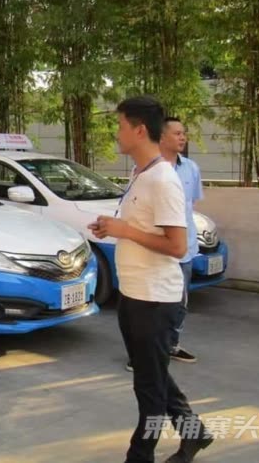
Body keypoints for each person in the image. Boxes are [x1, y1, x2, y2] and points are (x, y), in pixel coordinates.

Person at [88, 96, 213, 463]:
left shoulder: (163, 180)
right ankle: (195, 433)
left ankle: (140, 456)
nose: (116, 134)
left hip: (155, 300)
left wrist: (125, 230)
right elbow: (141, 228)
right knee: (152, 373)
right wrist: (114, 227)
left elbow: (177, 246)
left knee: (148, 388)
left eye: (120, 126)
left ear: (139, 130)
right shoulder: (140, 174)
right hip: (134, 293)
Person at [127, 117, 201, 371]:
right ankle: (142, 354)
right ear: (162, 137)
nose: (183, 137)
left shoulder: (191, 168)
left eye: (184, 133)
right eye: (177, 133)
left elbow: (189, 207)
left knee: (179, 304)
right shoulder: (144, 170)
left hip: (184, 249)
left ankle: (171, 345)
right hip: (156, 249)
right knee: (151, 306)